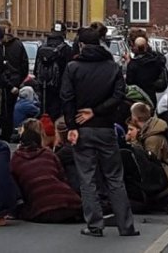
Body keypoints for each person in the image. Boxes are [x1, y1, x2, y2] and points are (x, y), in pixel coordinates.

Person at [60, 27, 139, 238]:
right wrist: (97, 111)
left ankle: (94, 225)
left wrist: (72, 127)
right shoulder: (112, 67)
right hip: (106, 128)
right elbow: (120, 95)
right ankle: (126, 225)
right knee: (114, 177)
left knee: (87, 178)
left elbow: (66, 98)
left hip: (82, 128)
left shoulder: (73, 67)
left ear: (81, 45)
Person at [10, 120, 82, 223]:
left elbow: (15, 187)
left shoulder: (16, 159)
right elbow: (63, 177)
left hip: (41, 209)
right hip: (69, 202)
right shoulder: (49, 154)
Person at [126, 102, 168, 193]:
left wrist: (134, 141)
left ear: (135, 117)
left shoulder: (153, 138)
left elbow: (150, 164)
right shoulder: (149, 130)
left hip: (166, 178)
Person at [34, 24, 74, 121]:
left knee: (44, 112)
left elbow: (36, 70)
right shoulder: (66, 49)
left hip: (44, 87)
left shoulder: (41, 48)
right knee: (57, 115)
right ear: (64, 33)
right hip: (60, 88)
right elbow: (70, 70)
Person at [0, 21, 30, 141]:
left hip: (2, 82)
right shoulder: (18, 44)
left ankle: (0, 132)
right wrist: (19, 81)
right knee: (10, 108)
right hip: (15, 81)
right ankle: (7, 133)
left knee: (1, 109)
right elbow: (24, 65)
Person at [125, 36, 168, 110]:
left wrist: (129, 63)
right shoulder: (156, 60)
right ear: (146, 46)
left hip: (138, 96)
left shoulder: (133, 64)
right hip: (151, 95)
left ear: (136, 48)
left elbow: (129, 82)